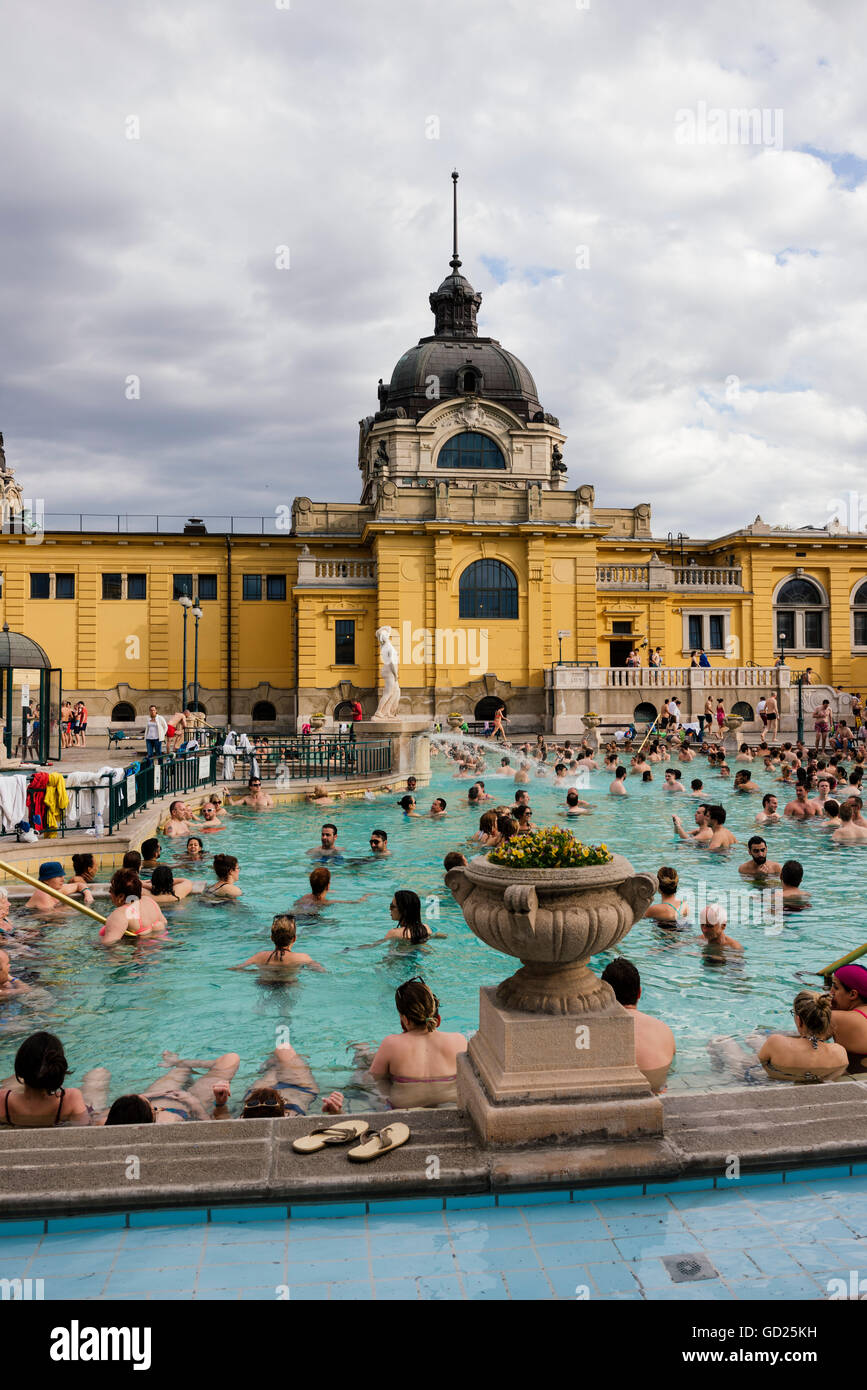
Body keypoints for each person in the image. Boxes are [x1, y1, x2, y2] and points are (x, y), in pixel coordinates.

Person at [365, 978, 467, 1110]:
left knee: (364, 1057)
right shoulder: (459, 1040)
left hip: (403, 1107)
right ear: (438, 1019)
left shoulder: (391, 1043)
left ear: (405, 1020)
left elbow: (374, 1079)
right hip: (450, 1103)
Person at [600, 959, 675, 1093]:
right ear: (639, 993)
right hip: (656, 1084)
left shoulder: (596, 1031)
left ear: (605, 996)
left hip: (619, 1087)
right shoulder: (664, 1029)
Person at [0, 1032, 90, 1126]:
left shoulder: (2, 1100)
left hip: (13, 1110)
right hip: (60, 1114)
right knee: (98, 1073)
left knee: (12, 1081)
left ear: (19, 1067)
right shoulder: (70, 1099)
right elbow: (84, 1132)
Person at [231, 914, 324, 972]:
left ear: (271, 938)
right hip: (289, 985)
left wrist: (255, 971)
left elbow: (237, 969)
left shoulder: (259, 956)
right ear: (294, 938)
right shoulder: (302, 957)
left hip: (264, 984)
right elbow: (321, 971)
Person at [99, 868, 167, 944]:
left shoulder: (120, 914)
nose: (109, 892)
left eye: (111, 889)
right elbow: (164, 922)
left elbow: (109, 945)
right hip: (158, 949)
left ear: (121, 897)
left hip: (139, 953)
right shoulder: (150, 901)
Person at [828, 964, 867, 1072]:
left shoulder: (837, 1018)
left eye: (835, 987)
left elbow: (804, 1025)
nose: (830, 992)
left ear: (852, 994)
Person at [293, 865, 370, 912]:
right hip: (309, 918)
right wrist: (365, 897)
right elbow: (354, 902)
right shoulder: (325, 902)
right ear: (328, 886)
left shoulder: (305, 897)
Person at [25, 861, 94, 912]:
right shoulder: (43, 894)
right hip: (26, 918)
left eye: (62, 876)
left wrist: (88, 894)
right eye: (59, 876)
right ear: (46, 880)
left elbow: (79, 885)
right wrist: (67, 908)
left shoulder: (58, 889)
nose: (63, 879)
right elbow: (47, 915)